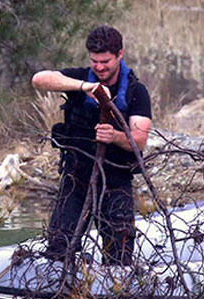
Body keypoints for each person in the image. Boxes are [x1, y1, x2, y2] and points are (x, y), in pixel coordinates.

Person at [31, 25, 152, 266]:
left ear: (119, 55)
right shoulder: (80, 78)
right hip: (76, 179)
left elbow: (139, 141)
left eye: (105, 62)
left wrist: (115, 136)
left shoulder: (137, 92)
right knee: (58, 248)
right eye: (94, 61)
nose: (99, 67)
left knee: (119, 256)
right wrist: (83, 87)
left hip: (115, 182)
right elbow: (38, 80)